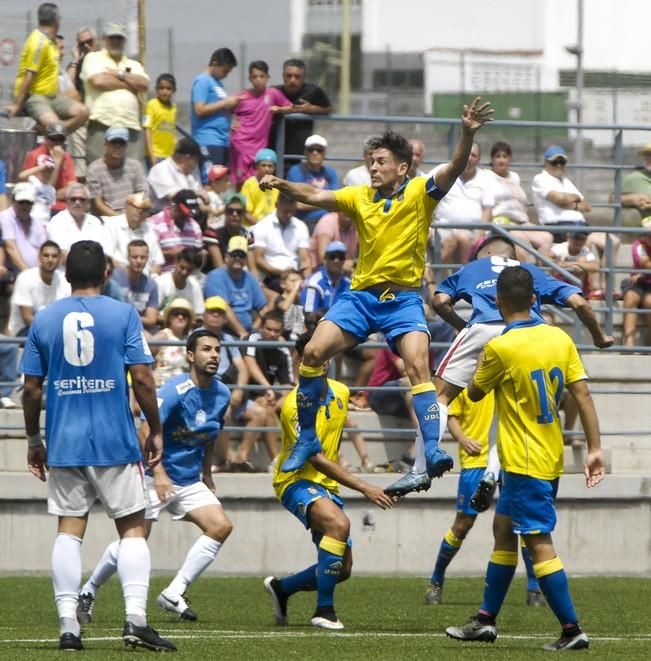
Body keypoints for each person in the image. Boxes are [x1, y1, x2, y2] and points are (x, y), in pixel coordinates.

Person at [258, 98, 495, 477]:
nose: (373, 167)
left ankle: (431, 449)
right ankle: (307, 439)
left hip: (402, 299)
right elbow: (316, 196)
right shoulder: (359, 197)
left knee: (418, 365)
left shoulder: (420, 193)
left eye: (381, 162)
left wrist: (466, 133)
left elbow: (451, 169)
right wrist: (280, 182)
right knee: (315, 352)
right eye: (371, 161)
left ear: (402, 167)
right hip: (362, 297)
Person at [20, 240, 175, 652]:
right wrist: (155, 429)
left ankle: (69, 625)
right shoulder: (123, 313)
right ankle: (136, 620)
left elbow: (31, 390)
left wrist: (34, 439)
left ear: (66, 275)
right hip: (114, 440)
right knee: (132, 530)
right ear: (106, 275)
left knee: (69, 531)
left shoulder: (44, 319)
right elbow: (142, 379)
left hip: (64, 440)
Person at [444, 265, 605, 652]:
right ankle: (485, 620)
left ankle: (571, 629)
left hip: (523, 461)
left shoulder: (499, 346)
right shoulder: (559, 338)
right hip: (549, 454)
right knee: (503, 530)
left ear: (496, 302)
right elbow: (581, 394)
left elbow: (477, 394)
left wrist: (482, 362)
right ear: (534, 300)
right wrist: (595, 448)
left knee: (538, 543)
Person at [385, 234, 613, 498]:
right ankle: (492, 472)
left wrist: (462, 328)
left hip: (482, 327)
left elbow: (439, 302)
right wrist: (599, 337)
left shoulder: (472, 268)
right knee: (504, 404)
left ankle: (420, 468)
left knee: (439, 397)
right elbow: (580, 303)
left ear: (488, 251)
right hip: (529, 335)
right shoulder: (527, 272)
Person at [76, 329, 231, 625]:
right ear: (190, 356)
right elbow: (145, 429)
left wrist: (207, 473)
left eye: (217, 349)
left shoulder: (222, 393)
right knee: (134, 540)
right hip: (153, 477)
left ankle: (174, 592)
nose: (213, 355)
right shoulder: (174, 390)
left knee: (220, 526)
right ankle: (89, 590)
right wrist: (158, 474)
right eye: (206, 349)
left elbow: (212, 433)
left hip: (188, 479)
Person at [263, 332, 393, 630]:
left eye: (324, 356)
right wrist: (365, 486)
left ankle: (282, 588)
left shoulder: (341, 392)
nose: (320, 362)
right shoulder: (292, 405)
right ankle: (324, 611)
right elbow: (315, 457)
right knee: (339, 524)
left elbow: (339, 433)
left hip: (327, 486)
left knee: (342, 569)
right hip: (295, 481)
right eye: (312, 357)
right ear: (301, 361)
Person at [424, 388, 545, 608]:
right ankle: (436, 580)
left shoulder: (506, 375)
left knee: (522, 523)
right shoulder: (467, 383)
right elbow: (452, 416)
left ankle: (534, 588)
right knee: (463, 524)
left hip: (509, 458)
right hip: (476, 462)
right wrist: (463, 439)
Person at [532, 146, 619, 295]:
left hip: (580, 226)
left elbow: (587, 206)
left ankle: (605, 288)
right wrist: (573, 199)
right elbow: (558, 198)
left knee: (613, 241)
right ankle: (593, 287)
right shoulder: (540, 178)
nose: (559, 165)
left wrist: (567, 200)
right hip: (557, 227)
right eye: (555, 162)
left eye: (562, 162)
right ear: (546, 163)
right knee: (586, 244)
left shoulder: (565, 181)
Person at [8, 3, 88, 134]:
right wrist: (17, 105)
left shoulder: (51, 42)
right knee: (56, 128)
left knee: (83, 112)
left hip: (52, 96)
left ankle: (53, 133)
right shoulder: (38, 42)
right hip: (35, 96)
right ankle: (55, 133)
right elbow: (29, 75)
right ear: (56, 19)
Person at [81, 22, 150, 164]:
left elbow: (143, 84)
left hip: (130, 125)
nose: (115, 42)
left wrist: (118, 74)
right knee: (99, 167)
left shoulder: (134, 64)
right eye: (112, 38)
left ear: (124, 41)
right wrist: (129, 86)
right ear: (104, 39)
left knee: (131, 171)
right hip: (102, 123)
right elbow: (98, 82)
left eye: (119, 38)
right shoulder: (93, 58)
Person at [485, 140, 553, 258]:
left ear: (510, 159)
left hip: (521, 221)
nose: (501, 160)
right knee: (522, 242)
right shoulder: (486, 176)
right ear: (492, 160)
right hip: (503, 221)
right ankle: (525, 274)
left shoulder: (515, 177)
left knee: (547, 237)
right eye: (497, 157)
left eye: (505, 156)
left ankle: (543, 274)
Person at [431, 141, 493, 267]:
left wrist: (479, 233)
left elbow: (487, 210)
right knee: (460, 239)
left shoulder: (485, 178)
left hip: (474, 230)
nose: (468, 158)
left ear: (479, 159)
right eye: (466, 153)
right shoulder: (442, 170)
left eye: (473, 155)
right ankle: (433, 275)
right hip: (443, 228)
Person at [230, 61, 292, 186]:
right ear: (250, 78)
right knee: (241, 182)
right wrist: (231, 122)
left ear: (267, 77)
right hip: (241, 144)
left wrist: (279, 109)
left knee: (259, 180)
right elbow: (227, 110)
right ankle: (240, 204)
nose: (258, 80)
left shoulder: (272, 93)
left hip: (259, 147)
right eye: (255, 77)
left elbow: (290, 106)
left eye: (261, 76)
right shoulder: (242, 96)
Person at [269, 58, 332, 171]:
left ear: (304, 77)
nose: (292, 80)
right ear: (283, 76)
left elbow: (328, 108)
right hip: (273, 153)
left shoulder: (313, 91)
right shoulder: (273, 92)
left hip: (298, 156)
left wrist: (310, 108)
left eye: (297, 76)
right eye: (289, 75)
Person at [204, 236, 269, 332]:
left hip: (248, 332)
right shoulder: (215, 277)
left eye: (241, 255)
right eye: (234, 255)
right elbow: (225, 308)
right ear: (226, 257)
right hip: (223, 331)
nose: (238, 258)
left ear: (246, 260)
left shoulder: (250, 278)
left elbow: (264, 308)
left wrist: (254, 327)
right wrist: (242, 333)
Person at [7, 240, 70, 337]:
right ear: (39, 257)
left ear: (60, 258)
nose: (50, 259)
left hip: (53, 330)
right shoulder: (25, 278)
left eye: (54, 256)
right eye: (46, 255)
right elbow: (27, 318)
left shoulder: (64, 281)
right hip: (24, 331)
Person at [190, 48, 240, 170]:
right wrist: (226, 102)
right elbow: (199, 110)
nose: (226, 75)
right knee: (211, 181)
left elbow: (218, 107)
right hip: (208, 140)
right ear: (215, 63)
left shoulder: (217, 83)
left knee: (220, 184)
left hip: (222, 140)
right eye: (224, 71)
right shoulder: (202, 81)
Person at [253, 194, 311, 292]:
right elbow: (258, 259)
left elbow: (305, 259)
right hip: (271, 275)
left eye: (292, 211)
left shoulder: (301, 226)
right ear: (276, 205)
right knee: (288, 287)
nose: (289, 215)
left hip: (294, 274)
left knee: (308, 288)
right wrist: (281, 272)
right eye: (285, 211)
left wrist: (309, 281)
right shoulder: (262, 226)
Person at [86, 126, 147, 216]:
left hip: (132, 214)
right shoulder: (94, 169)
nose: (117, 146)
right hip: (107, 218)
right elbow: (98, 205)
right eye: (113, 142)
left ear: (126, 145)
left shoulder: (135, 166)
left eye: (121, 143)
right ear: (106, 144)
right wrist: (120, 219)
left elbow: (143, 195)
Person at [20, 122, 77, 215]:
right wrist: (57, 161)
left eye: (60, 140)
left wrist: (55, 193)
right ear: (46, 138)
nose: (57, 143)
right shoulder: (35, 155)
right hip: (40, 205)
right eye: (53, 139)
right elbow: (45, 187)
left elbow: (72, 187)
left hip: (63, 207)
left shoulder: (66, 157)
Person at [286, 135, 340, 229]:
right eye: (311, 149)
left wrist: (310, 200)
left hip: (329, 222)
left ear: (324, 154)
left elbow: (336, 202)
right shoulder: (295, 171)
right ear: (305, 152)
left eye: (319, 150)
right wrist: (325, 202)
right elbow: (298, 204)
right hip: (303, 222)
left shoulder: (331, 173)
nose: (315, 153)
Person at [103, 192, 163, 274]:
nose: (139, 211)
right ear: (127, 207)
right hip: (119, 278)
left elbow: (157, 263)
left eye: (144, 209)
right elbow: (108, 258)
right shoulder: (111, 225)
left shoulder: (149, 229)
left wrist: (152, 280)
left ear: (148, 214)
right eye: (136, 207)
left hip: (146, 282)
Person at [47, 183, 109, 263]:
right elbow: (61, 254)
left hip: (95, 271)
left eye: (82, 199)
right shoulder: (57, 221)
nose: (77, 202)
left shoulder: (95, 222)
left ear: (87, 202)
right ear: (67, 201)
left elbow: (104, 249)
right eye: (73, 199)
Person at [111, 240, 160, 332]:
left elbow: (151, 320)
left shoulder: (151, 285)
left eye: (143, 257)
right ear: (128, 257)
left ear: (147, 259)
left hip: (140, 329)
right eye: (134, 257)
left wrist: (129, 318)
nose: (139, 261)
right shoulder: (114, 277)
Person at [150, 189, 204, 271]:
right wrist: (170, 254)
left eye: (189, 213)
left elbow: (198, 253)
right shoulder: (154, 223)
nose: (186, 216)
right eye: (183, 212)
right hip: (162, 275)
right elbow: (147, 255)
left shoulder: (194, 226)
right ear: (175, 205)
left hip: (188, 276)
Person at [0, 182, 48, 273]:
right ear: (13, 201)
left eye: (28, 202)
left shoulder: (37, 224)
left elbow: (41, 251)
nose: (25, 206)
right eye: (21, 202)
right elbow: (11, 249)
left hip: (35, 273)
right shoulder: (5, 217)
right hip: (14, 272)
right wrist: (26, 272)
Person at [146, 137, 203, 212]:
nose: (196, 165)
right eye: (196, 161)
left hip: (185, 217)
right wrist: (198, 194)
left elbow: (201, 201)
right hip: (160, 218)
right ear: (187, 158)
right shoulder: (161, 169)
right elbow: (175, 198)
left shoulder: (190, 174)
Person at [202, 192, 255, 273]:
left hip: (238, 275)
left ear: (244, 213)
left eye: (239, 212)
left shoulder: (247, 234)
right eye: (230, 211)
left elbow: (252, 268)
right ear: (225, 212)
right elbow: (219, 266)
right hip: (215, 276)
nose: (234, 214)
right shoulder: (212, 230)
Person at [151, 297, 193, 387]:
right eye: (176, 313)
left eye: (184, 315)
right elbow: (143, 355)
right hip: (161, 387)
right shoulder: (163, 335)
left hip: (182, 389)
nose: (180, 317)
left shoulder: (189, 340)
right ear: (169, 317)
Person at [621, 226, 651, 347]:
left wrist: (644, 274)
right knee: (631, 297)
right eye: (649, 236)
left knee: (650, 302)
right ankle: (629, 345)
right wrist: (644, 273)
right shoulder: (638, 245)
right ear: (644, 237)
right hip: (636, 283)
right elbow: (646, 264)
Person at [156, 248, 205, 317]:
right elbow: (154, 314)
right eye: (182, 267)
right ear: (176, 262)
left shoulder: (194, 286)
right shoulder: (160, 282)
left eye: (189, 270)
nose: (184, 272)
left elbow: (198, 314)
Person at [550, 230, 599, 297]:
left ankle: (579, 292)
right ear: (569, 238)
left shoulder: (585, 250)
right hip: (560, 280)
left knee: (582, 260)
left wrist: (571, 264)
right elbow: (546, 258)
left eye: (582, 239)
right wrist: (558, 263)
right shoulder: (561, 247)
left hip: (578, 282)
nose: (579, 242)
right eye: (576, 238)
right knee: (581, 262)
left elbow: (595, 267)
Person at [143, 73, 178, 168]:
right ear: (156, 89)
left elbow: (172, 132)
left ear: (174, 90)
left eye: (168, 88)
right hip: (155, 155)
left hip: (169, 156)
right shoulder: (151, 105)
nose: (165, 91)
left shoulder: (173, 108)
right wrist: (151, 155)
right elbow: (147, 130)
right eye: (161, 88)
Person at [240, 148, 281, 224]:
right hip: (253, 226)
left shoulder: (277, 185)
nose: (266, 169)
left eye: (270, 166)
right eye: (263, 165)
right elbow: (246, 213)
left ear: (274, 168)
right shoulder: (249, 184)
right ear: (257, 166)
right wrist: (261, 226)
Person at [621, 143, 651, 224]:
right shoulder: (633, 178)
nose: (649, 159)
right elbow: (613, 199)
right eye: (648, 155)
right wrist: (632, 198)